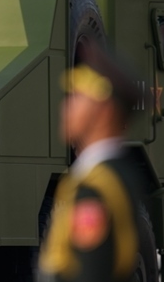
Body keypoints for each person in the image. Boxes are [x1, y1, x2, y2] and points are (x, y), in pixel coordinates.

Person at [38, 40, 147, 282]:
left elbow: (89, 272)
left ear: (105, 110)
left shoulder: (95, 188)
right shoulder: (116, 173)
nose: (65, 106)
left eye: (77, 97)